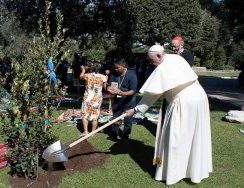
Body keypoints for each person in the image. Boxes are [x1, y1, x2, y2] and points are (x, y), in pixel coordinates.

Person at [126, 45, 212, 185]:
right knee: (194, 135)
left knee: (175, 137)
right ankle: (193, 171)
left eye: (152, 60)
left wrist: (135, 110)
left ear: (159, 56)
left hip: (183, 102)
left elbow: (151, 96)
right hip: (200, 98)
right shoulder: (177, 58)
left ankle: (174, 173)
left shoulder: (162, 68)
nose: (151, 63)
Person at [107, 58, 137, 140]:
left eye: (118, 67)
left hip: (129, 100)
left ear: (124, 66)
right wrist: (110, 89)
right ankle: (114, 133)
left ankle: (126, 135)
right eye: (115, 68)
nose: (116, 69)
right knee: (116, 117)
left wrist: (121, 93)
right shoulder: (114, 74)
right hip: (117, 100)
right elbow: (110, 85)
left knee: (128, 119)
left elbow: (133, 90)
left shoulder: (131, 75)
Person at [79, 65, 108, 137]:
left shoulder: (88, 75)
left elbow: (80, 76)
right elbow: (105, 88)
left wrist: (83, 70)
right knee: (95, 116)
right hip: (97, 99)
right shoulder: (103, 77)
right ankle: (93, 132)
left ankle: (86, 132)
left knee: (84, 115)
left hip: (87, 97)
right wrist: (107, 77)